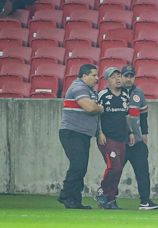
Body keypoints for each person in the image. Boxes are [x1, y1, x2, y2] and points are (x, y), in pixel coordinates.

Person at [58, 64, 103, 209]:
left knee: (81, 166)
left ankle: (75, 200)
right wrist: (100, 108)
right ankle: (66, 195)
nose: (97, 78)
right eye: (94, 75)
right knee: (78, 165)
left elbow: (93, 113)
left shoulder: (89, 90)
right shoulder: (79, 88)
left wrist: (98, 132)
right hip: (72, 133)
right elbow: (90, 108)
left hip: (82, 134)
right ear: (84, 76)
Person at [121, 65, 158, 210]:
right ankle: (107, 198)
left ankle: (145, 201)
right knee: (114, 171)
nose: (128, 79)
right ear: (121, 77)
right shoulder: (115, 93)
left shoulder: (139, 93)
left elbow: (144, 115)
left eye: (131, 76)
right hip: (120, 140)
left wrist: (145, 134)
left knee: (143, 171)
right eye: (126, 76)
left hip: (137, 141)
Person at [94, 67, 132, 209]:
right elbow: (96, 115)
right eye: (113, 77)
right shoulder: (102, 95)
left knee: (119, 169)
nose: (117, 79)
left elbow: (126, 117)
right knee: (114, 166)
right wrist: (99, 133)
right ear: (107, 80)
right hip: (107, 137)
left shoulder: (125, 96)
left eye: (119, 76)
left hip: (121, 138)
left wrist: (130, 133)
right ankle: (102, 192)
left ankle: (110, 199)